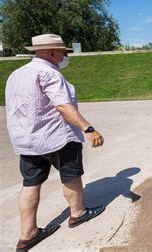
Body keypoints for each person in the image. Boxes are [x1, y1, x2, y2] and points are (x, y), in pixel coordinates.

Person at [5, 34, 106, 251]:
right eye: (64, 52)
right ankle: (77, 213)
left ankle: (27, 234)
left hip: (26, 140)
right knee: (71, 175)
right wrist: (88, 129)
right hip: (56, 137)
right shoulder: (49, 73)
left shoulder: (16, 74)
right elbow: (63, 106)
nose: (66, 56)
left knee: (30, 183)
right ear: (52, 52)